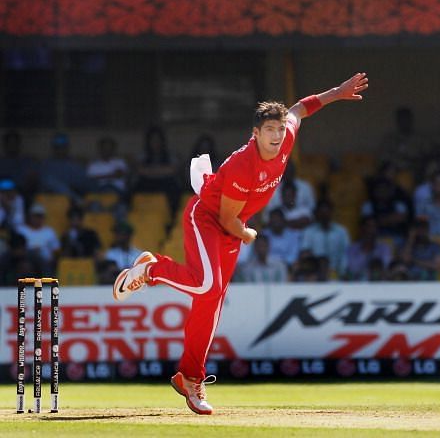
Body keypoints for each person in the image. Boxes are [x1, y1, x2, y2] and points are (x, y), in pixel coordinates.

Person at [112, 73, 369, 414]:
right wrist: (249, 234)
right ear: (255, 134)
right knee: (205, 285)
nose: (277, 135)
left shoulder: (286, 135)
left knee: (211, 305)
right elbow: (228, 219)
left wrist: (336, 93)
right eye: (270, 131)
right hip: (208, 217)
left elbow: (299, 109)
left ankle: (190, 379)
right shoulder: (241, 166)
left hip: (232, 224)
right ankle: (152, 269)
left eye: (279, 129)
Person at [300, 199, 350, 278]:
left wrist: (343, 271)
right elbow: (305, 253)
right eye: (322, 213)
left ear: (331, 212)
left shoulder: (341, 232)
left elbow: (345, 253)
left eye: (327, 212)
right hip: (315, 273)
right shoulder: (309, 232)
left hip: (337, 272)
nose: (324, 216)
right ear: (317, 213)